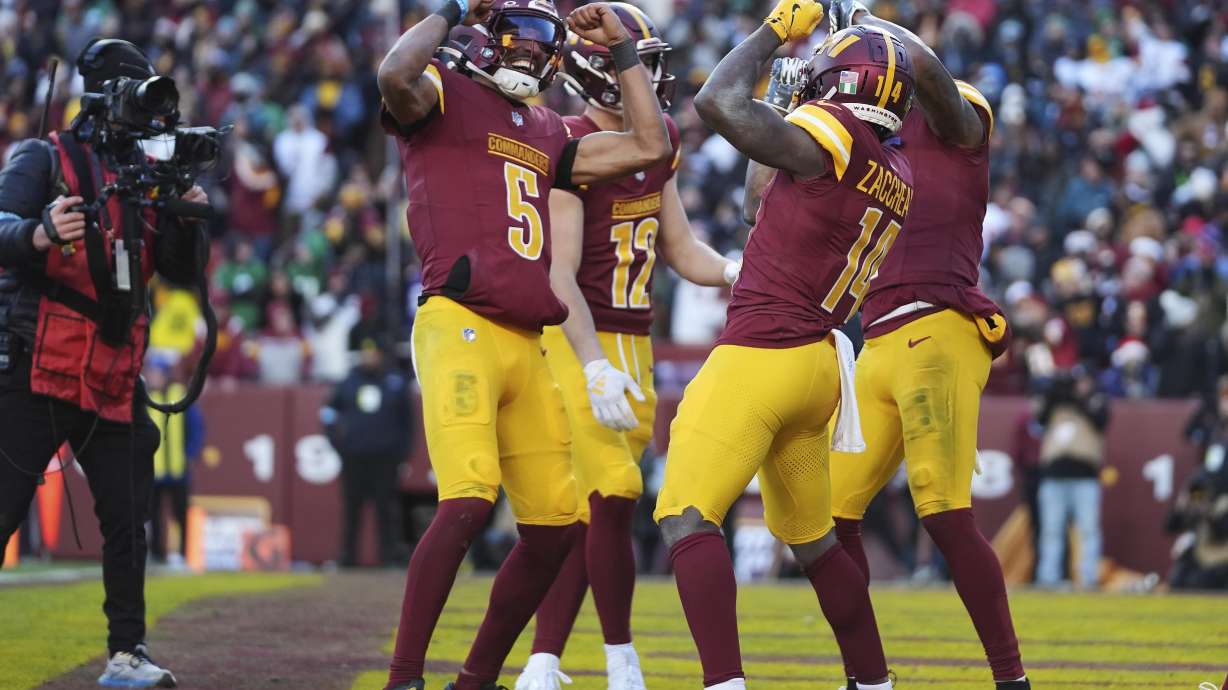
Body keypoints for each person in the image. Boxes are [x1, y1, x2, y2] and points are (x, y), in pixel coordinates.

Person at [375, 0, 672, 687]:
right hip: (462, 325)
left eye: (546, 39)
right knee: (470, 498)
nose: (533, 51)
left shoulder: (544, 127)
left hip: (529, 339)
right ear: (481, 39)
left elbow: (650, 147)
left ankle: (476, 678)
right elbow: (395, 74)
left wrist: (624, 50)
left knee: (557, 527)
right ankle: (403, 677)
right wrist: (449, 9)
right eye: (519, 35)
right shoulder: (442, 97)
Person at [747, 4, 1029, 689]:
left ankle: (1011, 679)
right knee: (827, 516)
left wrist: (871, 30)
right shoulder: (868, 145)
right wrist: (784, 98)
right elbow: (762, 188)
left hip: (942, 324)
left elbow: (929, 76)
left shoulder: (959, 116)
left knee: (941, 509)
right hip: (874, 339)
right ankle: (866, 676)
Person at [652, 1, 915, 687]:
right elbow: (753, 201)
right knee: (817, 544)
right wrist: (783, 95)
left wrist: (775, 33)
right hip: (818, 367)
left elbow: (716, 102)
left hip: (763, 354)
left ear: (845, 84)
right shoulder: (894, 170)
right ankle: (874, 680)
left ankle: (725, 683)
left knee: (685, 518)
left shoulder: (836, 135)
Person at [514, 5, 740, 689]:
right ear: (595, 69)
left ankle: (543, 663)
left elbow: (680, 248)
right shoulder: (571, 144)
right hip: (578, 336)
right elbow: (560, 281)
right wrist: (592, 365)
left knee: (595, 514)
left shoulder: (658, 137)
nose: (653, 74)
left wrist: (737, 270)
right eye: (637, 60)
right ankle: (621, 660)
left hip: (635, 340)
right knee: (613, 495)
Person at [0, 38, 208, 689]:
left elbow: (178, 271)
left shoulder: (148, 175)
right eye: (136, 96)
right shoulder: (45, 156)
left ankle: (128, 654)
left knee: (127, 523)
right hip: (38, 365)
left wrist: (187, 216)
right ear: (102, 98)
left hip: (114, 377)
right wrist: (36, 232)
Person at [321, 339, 414, 567]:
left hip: (385, 459)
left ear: (381, 355)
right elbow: (328, 413)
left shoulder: (395, 382)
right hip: (354, 457)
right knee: (352, 510)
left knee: (386, 510)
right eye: (365, 353)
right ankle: (347, 558)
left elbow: (408, 424)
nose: (369, 357)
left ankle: (389, 557)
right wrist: (337, 445)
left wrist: (402, 455)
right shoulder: (348, 382)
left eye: (373, 353)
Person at [1035, 368, 1109, 590]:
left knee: (1088, 530)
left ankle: (1088, 578)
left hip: (1085, 477)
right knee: (1051, 530)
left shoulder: (1096, 401)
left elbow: (1100, 420)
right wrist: (1057, 392)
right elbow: (1040, 418)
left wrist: (1079, 397)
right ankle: (1048, 579)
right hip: (1054, 476)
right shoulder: (1056, 402)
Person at [146, 360, 205, 569]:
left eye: (156, 372)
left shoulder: (180, 394)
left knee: (181, 513)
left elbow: (196, 427)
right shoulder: (146, 398)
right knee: (152, 515)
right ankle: (155, 553)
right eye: (150, 372)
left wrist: (191, 453)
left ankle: (184, 552)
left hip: (178, 468)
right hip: (153, 469)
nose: (153, 376)